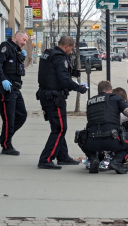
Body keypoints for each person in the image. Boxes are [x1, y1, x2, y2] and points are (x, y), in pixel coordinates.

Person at [36, 36, 87, 170]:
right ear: (66, 46)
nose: (71, 52)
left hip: (46, 95)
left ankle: (63, 156)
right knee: (60, 128)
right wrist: (79, 88)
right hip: (54, 98)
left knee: (58, 128)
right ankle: (45, 159)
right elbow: (64, 80)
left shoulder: (49, 55)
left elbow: (53, 73)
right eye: (71, 49)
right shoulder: (60, 58)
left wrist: (73, 72)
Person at [78, 81, 128, 174]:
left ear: (98, 92)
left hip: (92, 142)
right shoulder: (116, 98)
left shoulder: (90, 101)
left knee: (79, 136)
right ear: (111, 90)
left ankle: (93, 158)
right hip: (112, 140)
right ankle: (117, 161)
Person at [0, 30, 29, 156]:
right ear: (17, 36)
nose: (24, 43)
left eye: (26, 41)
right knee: (9, 118)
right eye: (24, 40)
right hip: (6, 89)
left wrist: (22, 57)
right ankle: (6, 145)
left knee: (22, 114)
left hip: (16, 88)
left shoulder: (17, 50)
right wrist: (3, 79)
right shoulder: (5, 47)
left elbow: (17, 67)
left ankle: (4, 138)